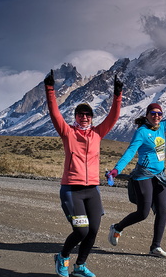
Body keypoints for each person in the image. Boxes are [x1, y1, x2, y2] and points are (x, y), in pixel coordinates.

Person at [45, 69, 123, 277]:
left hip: (92, 190)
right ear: (76, 116)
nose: (84, 117)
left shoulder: (98, 133)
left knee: (94, 230)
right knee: (81, 230)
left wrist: (117, 94)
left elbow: (113, 116)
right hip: (71, 190)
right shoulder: (67, 132)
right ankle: (62, 257)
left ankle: (80, 266)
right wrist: (50, 89)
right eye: (81, 114)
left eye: (88, 114)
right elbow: (54, 113)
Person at [106, 84, 166, 258]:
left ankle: (155, 247)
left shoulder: (163, 126)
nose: (156, 116)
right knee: (143, 213)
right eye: (153, 113)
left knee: (162, 210)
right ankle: (117, 228)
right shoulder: (141, 132)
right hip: (143, 175)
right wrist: (117, 169)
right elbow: (130, 151)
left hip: (160, 176)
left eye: (159, 114)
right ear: (147, 116)